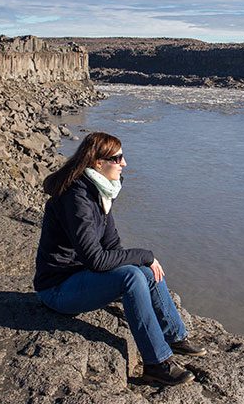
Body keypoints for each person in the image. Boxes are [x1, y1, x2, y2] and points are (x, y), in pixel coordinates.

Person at [34, 132, 205, 385]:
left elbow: (112, 245)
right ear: (97, 162)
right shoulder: (75, 198)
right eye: (118, 158)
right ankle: (156, 364)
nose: (124, 163)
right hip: (57, 291)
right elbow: (96, 260)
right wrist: (146, 256)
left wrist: (143, 262)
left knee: (144, 272)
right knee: (133, 274)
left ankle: (174, 336)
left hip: (80, 278)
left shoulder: (99, 192)